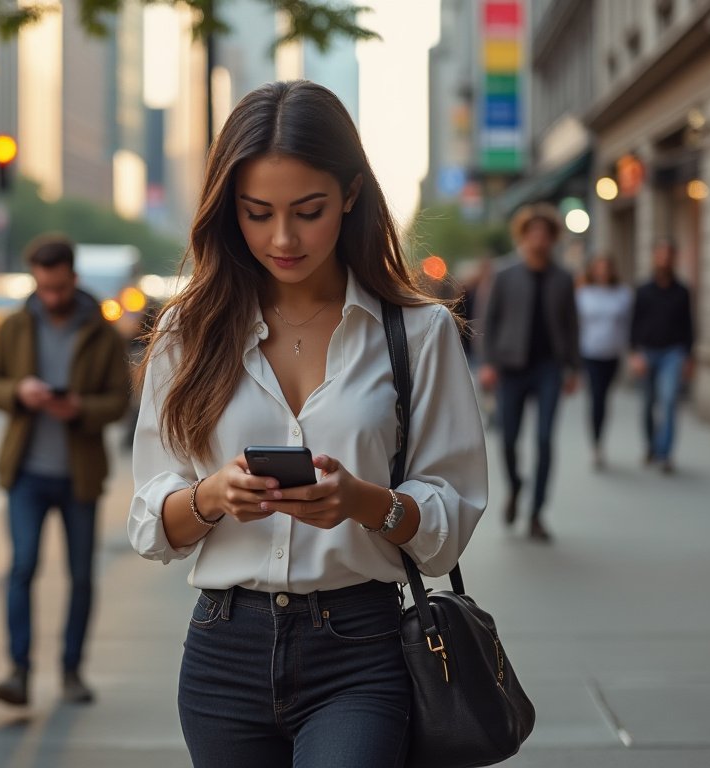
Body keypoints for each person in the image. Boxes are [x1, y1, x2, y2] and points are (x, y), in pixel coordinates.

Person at [128, 80, 487, 767]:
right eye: (257, 213)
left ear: (351, 194)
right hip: (222, 650)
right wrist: (210, 498)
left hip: (360, 648)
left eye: (308, 210)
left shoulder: (420, 332)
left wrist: (363, 502)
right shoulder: (187, 331)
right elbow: (150, 525)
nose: (283, 238)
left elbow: (448, 527)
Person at [0, 235, 132, 707]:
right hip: (26, 471)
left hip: (79, 474)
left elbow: (120, 399)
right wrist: (18, 392)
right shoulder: (15, 327)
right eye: (44, 288)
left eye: (60, 288)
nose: (52, 297)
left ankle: (71, 671)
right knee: (22, 568)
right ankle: (19, 672)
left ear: (73, 277)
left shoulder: (102, 332)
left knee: (81, 575)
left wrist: (80, 409)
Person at [478, 203, 581, 541]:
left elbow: (571, 325)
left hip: (549, 367)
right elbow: (488, 321)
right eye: (532, 233)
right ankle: (516, 486)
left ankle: (536, 512)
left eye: (544, 234)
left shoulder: (563, 278)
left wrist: (573, 368)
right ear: (523, 237)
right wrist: (489, 363)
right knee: (507, 439)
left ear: (552, 239)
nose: (538, 239)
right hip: (511, 366)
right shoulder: (505, 275)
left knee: (544, 440)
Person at [630, 238, 695, 473]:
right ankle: (651, 446)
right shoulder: (643, 290)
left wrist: (689, 356)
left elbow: (689, 326)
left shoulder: (682, 291)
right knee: (648, 404)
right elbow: (634, 324)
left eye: (669, 254)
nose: (664, 259)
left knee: (668, 402)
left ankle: (665, 453)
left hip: (673, 353)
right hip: (647, 351)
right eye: (661, 254)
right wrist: (635, 353)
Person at [575, 254, 632, 469]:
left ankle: (600, 436)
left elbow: (629, 323)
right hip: (590, 353)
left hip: (613, 354)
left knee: (605, 398)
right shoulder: (583, 294)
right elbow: (576, 324)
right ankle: (596, 444)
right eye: (599, 268)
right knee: (597, 397)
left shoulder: (623, 294)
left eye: (607, 267)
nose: (603, 272)